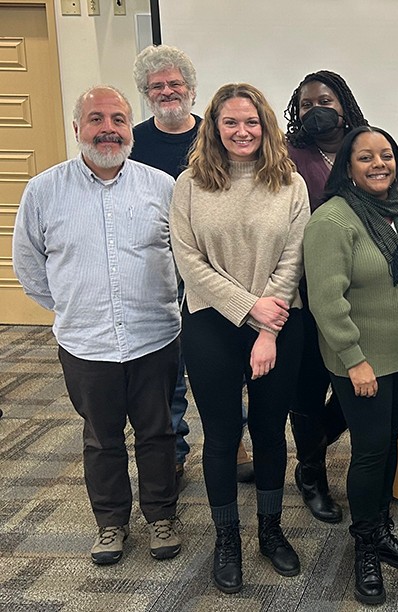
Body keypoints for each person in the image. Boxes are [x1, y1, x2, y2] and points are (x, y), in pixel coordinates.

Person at [12, 86, 181, 565]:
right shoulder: (44, 190)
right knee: (101, 438)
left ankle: (162, 516)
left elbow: (184, 258)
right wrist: (74, 307)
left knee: (157, 433)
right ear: (77, 129)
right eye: (96, 119)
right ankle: (111, 524)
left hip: (154, 337)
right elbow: (29, 266)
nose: (108, 129)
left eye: (119, 119)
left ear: (131, 127)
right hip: (85, 343)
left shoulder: (160, 187)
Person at [170, 83, 308, 594]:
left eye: (251, 122)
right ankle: (227, 539)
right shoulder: (189, 184)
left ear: (265, 125)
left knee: (272, 433)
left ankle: (270, 533)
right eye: (230, 122)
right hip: (210, 325)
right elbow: (189, 261)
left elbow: (293, 258)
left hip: (278, 325)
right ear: (214, 127)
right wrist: (250, 308)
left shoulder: (290, 184)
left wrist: (267, 327)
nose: (242, 131)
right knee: (223, 437)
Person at [303, 125, 398, 606]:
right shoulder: (332, 222)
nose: (379, 164)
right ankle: (365, 550)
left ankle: (382, 528)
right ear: (347, 168)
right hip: (361, 362)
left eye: (386, 155)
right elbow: (327, 301)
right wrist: (355, 360)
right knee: (370, 451)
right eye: (365, 158)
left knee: (388, 443)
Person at [130, 44, 254, 485]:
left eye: (175, 84)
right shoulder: (134, 142)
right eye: (157, 86)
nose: (167, 91)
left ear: (191, 89)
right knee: (169, 369)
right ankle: (176, 448)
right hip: (156, 270)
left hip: (214, 271)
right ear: (146, 92)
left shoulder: (216, 134)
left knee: (224, 361)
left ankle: (232, 438)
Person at [282, 70, 369, 525]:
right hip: (304, 291)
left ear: (344, 104)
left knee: (361, 385)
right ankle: (311, 473)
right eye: (306, 104)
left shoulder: (365, 148)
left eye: (326, 100)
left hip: (364, 294)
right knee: (309, 388)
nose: (316, 109)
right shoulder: (286, 155)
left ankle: (315, 449)